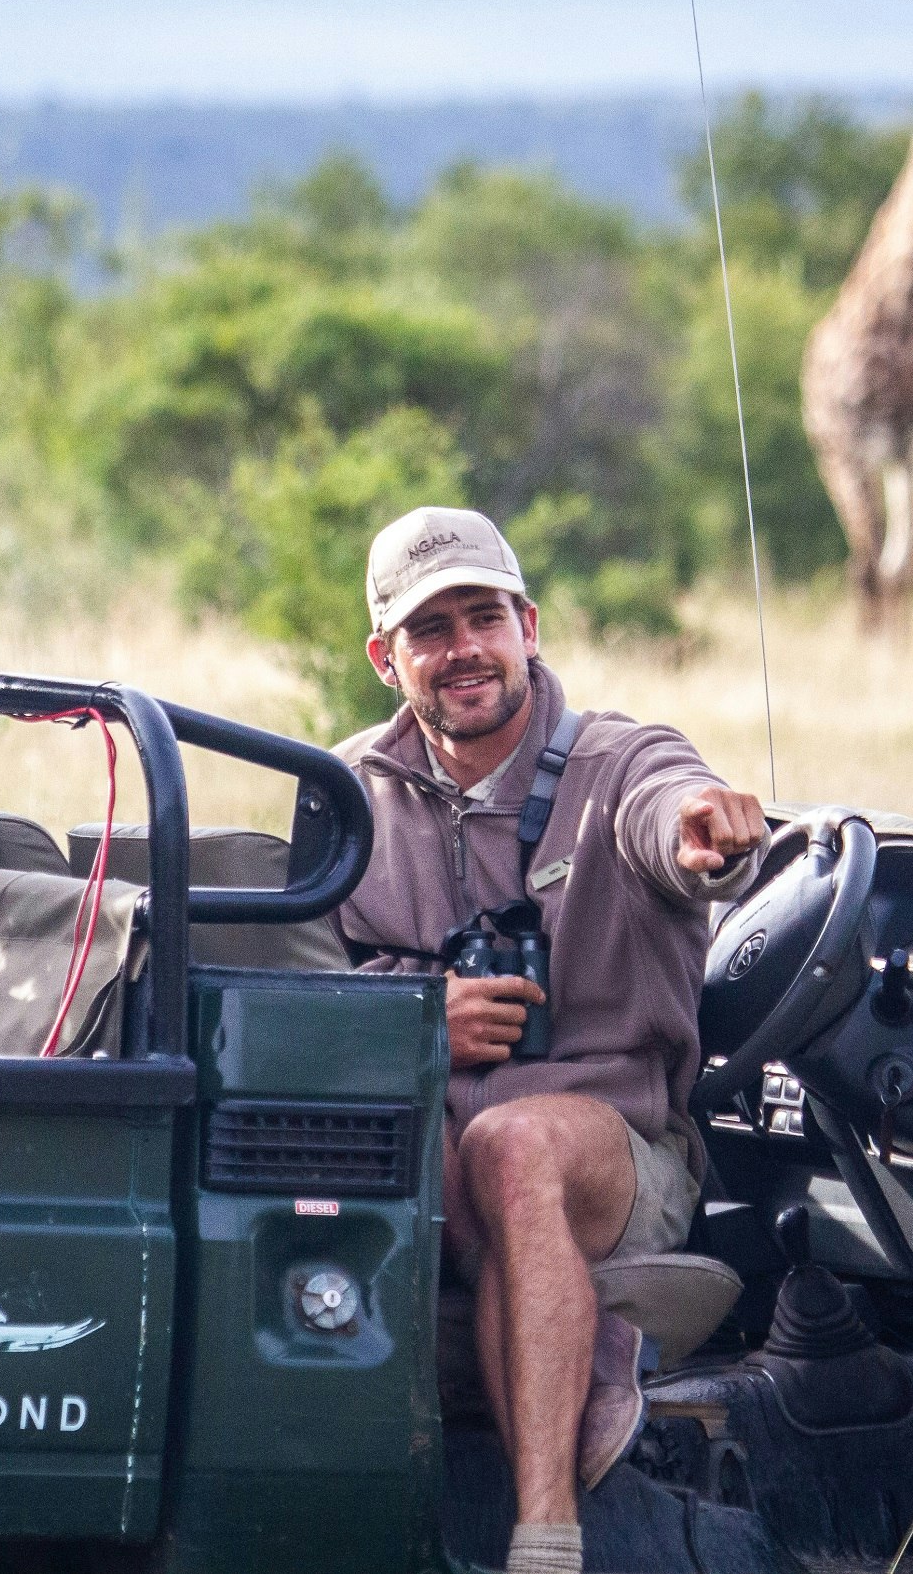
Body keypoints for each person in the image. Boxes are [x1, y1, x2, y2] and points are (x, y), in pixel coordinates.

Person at [332, 507, 768, 1574]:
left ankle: (546, 1540)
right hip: (437, 1144)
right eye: (431, 630)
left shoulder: (620, 760)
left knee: (511, 1148)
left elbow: (679, 819)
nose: (463, 650)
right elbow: (301, 983)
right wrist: (421, 1015)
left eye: (483, 616)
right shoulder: (345, 793)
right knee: (353, 1148)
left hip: (613, 1148)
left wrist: (708, 833)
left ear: (528, 624)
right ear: (387, 658)